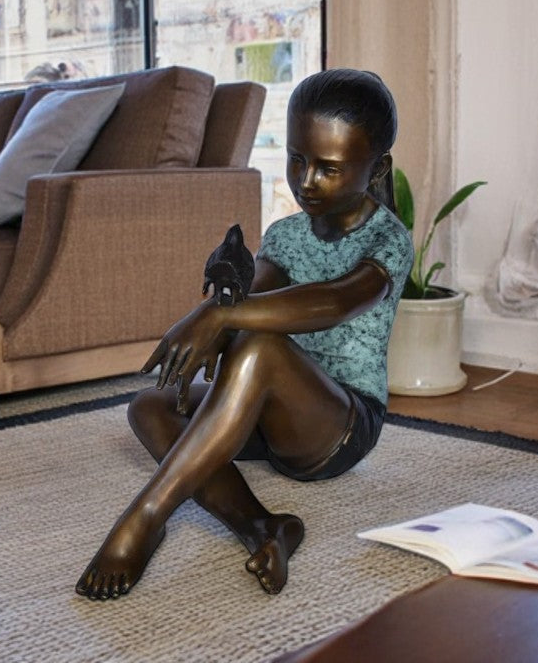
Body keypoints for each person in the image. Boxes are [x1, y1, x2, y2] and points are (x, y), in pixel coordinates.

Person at [75, 68, 414, 601]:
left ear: (377, 168)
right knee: (150, 408)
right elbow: (252, 295)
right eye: (297, 160)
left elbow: (331, 302)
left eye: (328, 168)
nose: (306, 181)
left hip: (339, 426)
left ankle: (146, 515)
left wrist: (223, 319)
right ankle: (263, 526)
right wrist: (218, 312)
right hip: (271, 412)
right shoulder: (286, 233)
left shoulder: (387, 240)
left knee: (257, 344)